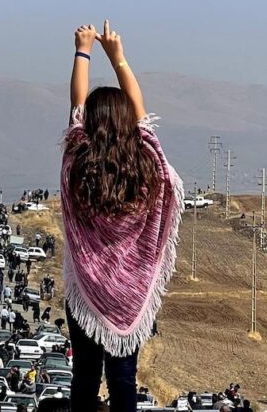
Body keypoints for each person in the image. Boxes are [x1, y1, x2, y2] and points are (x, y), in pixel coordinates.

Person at [61, 21, 183, 412]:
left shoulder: (77, 163)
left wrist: (83, 50)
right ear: (130, 123)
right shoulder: (149, 166)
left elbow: (76, 106)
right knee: (123, 380)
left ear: (92, 125)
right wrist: (119, 59)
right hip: (130, 296)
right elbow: (143, 117)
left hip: (85, 290)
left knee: (85, 377)